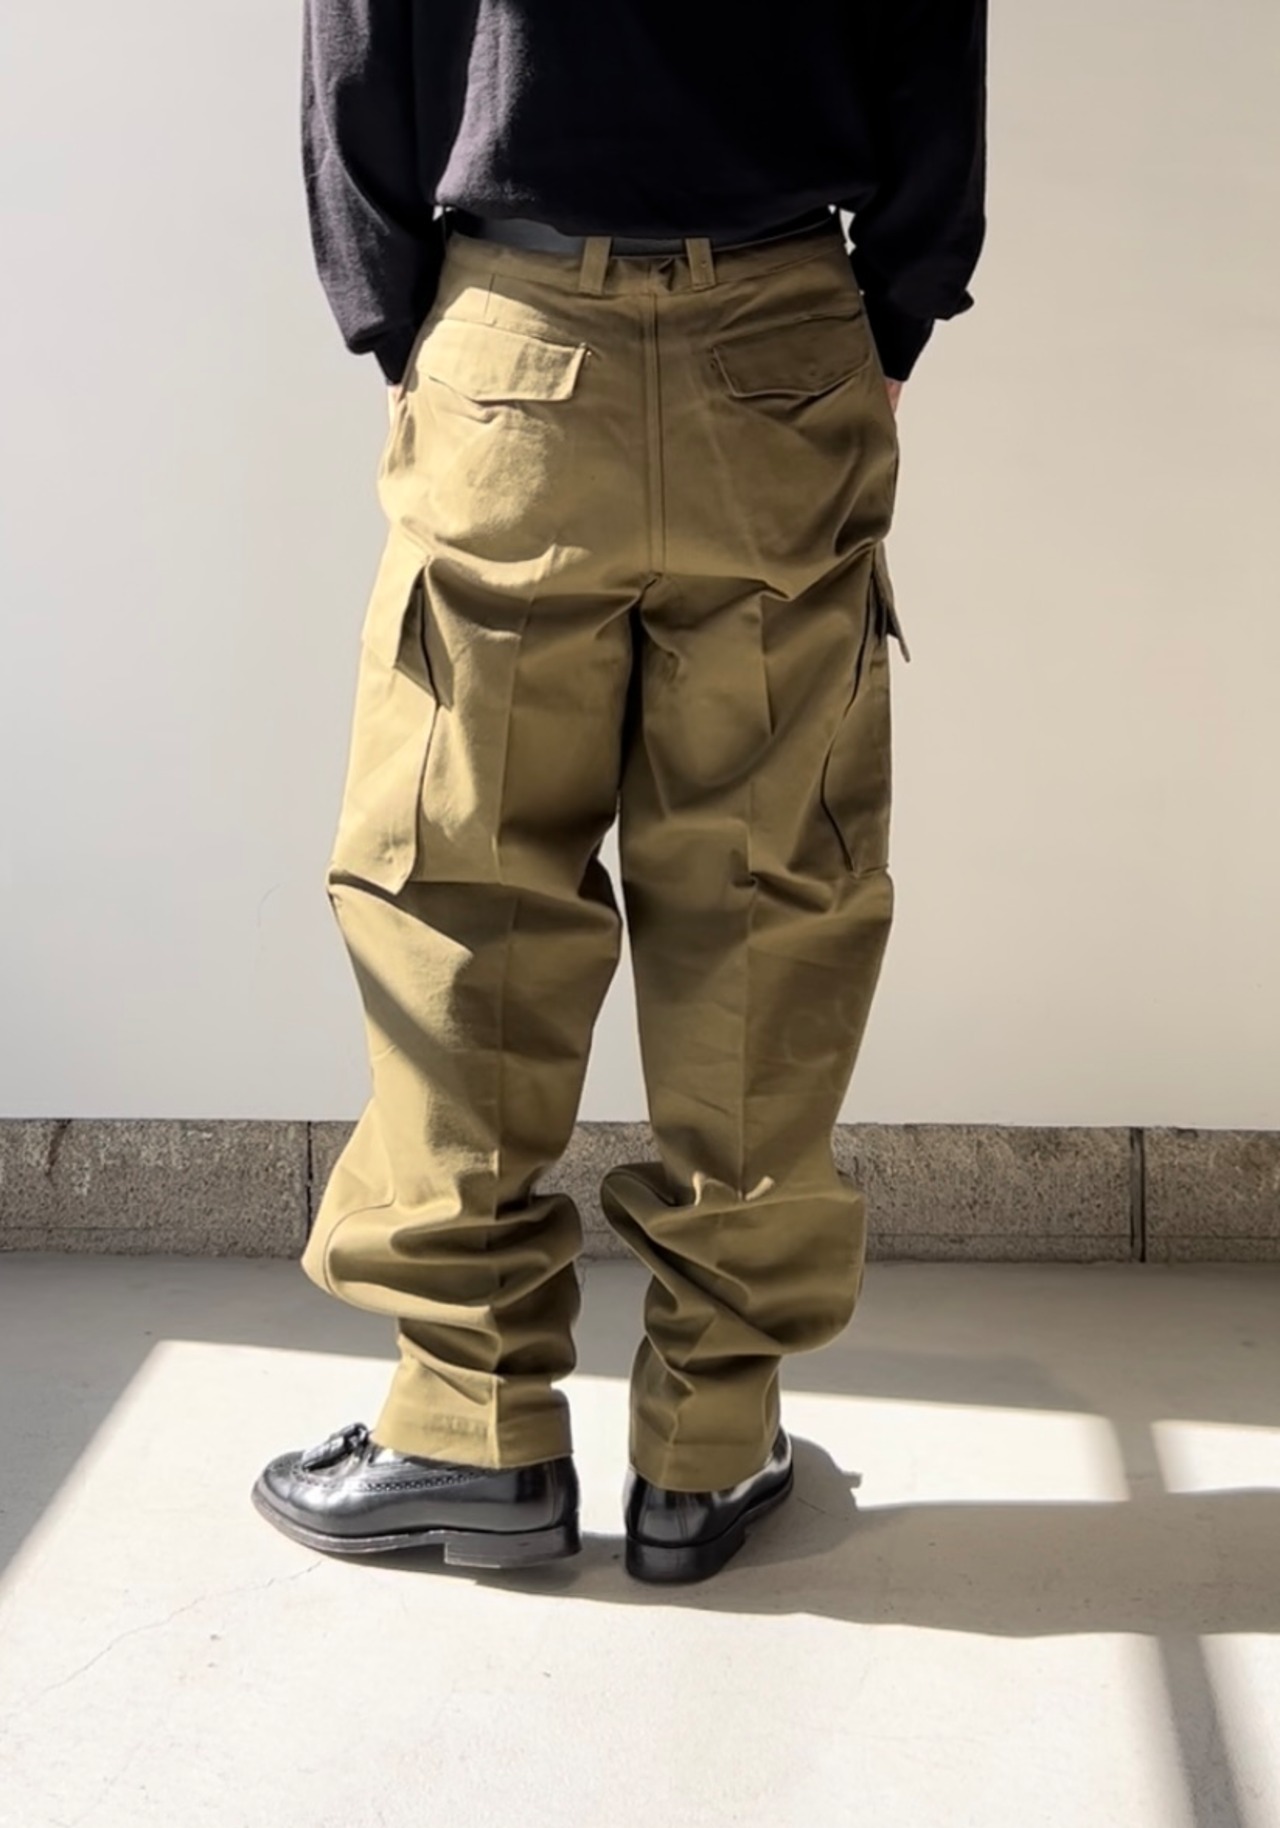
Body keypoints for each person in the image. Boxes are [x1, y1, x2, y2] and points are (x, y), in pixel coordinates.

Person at [252, 0, 987, 1583]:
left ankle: (469, 1429)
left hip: (513, 339)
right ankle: (707, 1446)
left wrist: (399, 324)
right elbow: (931, 32)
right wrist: (893, 315)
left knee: (460, 895)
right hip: (784, 340)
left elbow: (359, 46)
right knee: (768, 901)